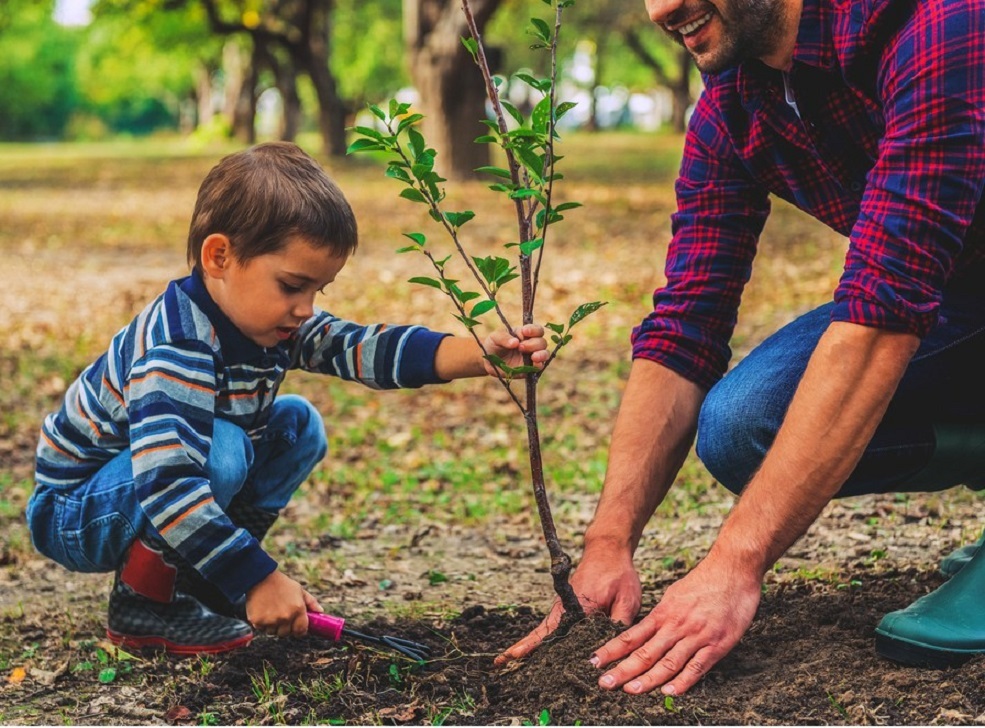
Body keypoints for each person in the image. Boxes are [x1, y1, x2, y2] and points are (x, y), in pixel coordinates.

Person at [499, 0, 985, 697]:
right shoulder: (739, 101)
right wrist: (607, 546)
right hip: (966, 293)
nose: (661, 8)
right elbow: (684, 323)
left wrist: (733, 566)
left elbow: (882, 315)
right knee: (743, 424)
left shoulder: (938, 23)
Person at [27, 142, 549, 655]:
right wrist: (258, 579)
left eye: (318, 290)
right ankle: (145, 605)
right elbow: (167, 484)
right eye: (292, 285)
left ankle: (205, 584)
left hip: (144, 488)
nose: (305, 308)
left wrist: (478, 355)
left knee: (297, 424)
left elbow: (360, 346)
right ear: (220, 256)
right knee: (222, 448)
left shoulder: (269, 322)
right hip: (76, 510)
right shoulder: (177, 347)